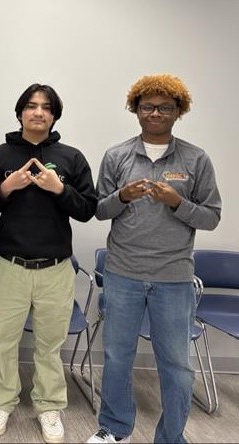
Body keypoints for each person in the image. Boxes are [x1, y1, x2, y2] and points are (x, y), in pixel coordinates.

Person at [86, 74, 221, 444]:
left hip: (174, 277)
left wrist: (177, 202)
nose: (156, 113)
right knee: (116, 357)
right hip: (122, 273)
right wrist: (123, 197)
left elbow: (211, 216)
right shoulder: (117, 155)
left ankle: (172, 437)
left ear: (179, 111)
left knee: (176, 366)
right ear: (136, 110)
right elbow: (98, 209)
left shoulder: (196, 158)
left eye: (165, 107)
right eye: (148, 106)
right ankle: (114, 430)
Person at [0, 84, 97, 443]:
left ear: (54, 115)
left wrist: (59, 189)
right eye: (31, 106)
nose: (38, 112)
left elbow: (88, 209)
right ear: (20, 113)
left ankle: (48, 407)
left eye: (46, 107)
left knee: (49, 344)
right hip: (9, 265)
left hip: (56, 268)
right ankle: (0, 402)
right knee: (4, 341)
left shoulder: (71, 157)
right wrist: (6, 188)